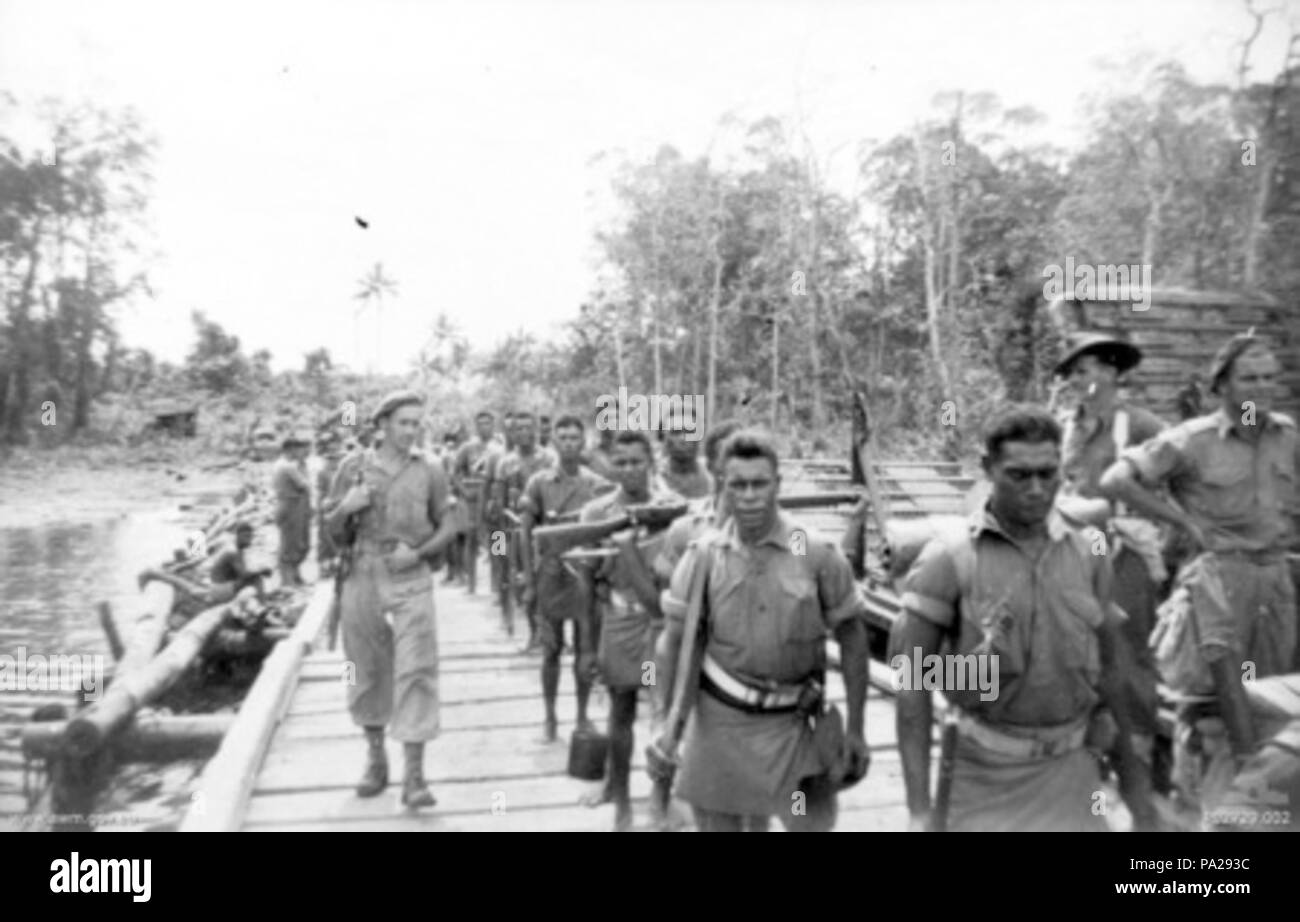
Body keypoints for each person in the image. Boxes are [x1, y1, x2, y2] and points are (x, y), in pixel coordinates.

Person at [894, 406, 1157, 832]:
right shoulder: (951, 560)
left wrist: (1136, 793)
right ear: (987, 469)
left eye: (1048, 473)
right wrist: (919, 811)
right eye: (1019, 475)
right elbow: (911, 691)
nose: (1036, 489)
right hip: (983, 778)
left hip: (1073, 773)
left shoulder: (1088, 553)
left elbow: (1112, 675)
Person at [1100, 333, 1298, 816]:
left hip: (1274, 584)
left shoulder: (1288, 436)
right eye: (1249, 378)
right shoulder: (1192, 440)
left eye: (1269, 377)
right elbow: (1116, 480)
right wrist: (1182, 522)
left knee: (1270, 705)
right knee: (1207, 710)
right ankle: (1196, 826)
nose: (1261, 387)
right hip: (1216, 585)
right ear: (1223, 386)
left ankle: (1259, 814)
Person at [652, 430, 870, 832]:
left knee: (809, 825)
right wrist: (664, 723)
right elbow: (674, 644)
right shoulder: (704, 557)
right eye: (738, 484)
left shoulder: (810, 549)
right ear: (722, 486)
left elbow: (853, 638)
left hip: (796, 729)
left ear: (777, 485)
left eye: (760, 483)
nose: (749, 495)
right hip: (721, 729)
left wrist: (856, 727)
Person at [326, 390, 459, 808]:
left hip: (410, 576)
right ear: (382, 424)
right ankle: (375, 758)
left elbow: (452, 523)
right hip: (362, 573)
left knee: (417, 669)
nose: (411, 430)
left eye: (417, 423)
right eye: (404, 422)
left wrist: (418, 553)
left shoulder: (431, 469)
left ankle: (415, 777)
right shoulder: (352, 467)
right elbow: (330, 533)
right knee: (364, 668)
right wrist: (346, 508)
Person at [1052, 333, 1167, 757]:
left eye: (1084, 371)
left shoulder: (1140, 425)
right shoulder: (1066, 427)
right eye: (1072, 374)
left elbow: (1179, 474)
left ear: (1112, 373)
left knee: (1125, 643)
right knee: (1072, 638)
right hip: (1072, 545)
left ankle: (1136, 744)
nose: (1076, 382)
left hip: (1124, 549)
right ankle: (1086, 737)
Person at [575, 430, 678, 830]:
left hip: (662, 621)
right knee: (621, 710)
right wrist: (585, 646)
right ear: (609, 465)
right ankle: (621, 803)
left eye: (637, 461)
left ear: (651, 461)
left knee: (665, 714)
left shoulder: (671, 508)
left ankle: (661, 799)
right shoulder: (597, 513)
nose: (629, 469)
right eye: (620, 462)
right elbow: (585, 581)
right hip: (618, 619)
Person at [518, 414, 611, 742]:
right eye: (563, 438)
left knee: (587, 650)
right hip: (551, 575)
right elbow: (525, 533)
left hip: (585, 576)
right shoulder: (539, 483)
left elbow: (607, 534)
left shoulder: (596, 484)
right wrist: (529, 581)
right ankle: (549, 718)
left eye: (575, 438)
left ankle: (583, 716)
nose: (570, 444)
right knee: (551, 650)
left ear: (583, 442)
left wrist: (604, 576)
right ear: (554, 442)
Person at [494, 411, 557, 649]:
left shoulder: (549, 459)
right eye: (518, 429)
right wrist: (498, 546)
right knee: (522, 581)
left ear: (535, 430)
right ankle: (532, 632)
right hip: (515, 531)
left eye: (528, 428)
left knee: (551, 581)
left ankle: (550, 633)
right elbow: (499, 505)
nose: (523, 433)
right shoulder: (505, 463)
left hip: (546, 528)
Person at [453, 411, 502, 595]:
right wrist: (463, 491)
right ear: (476, 426)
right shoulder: (467, 448)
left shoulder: (500, 447)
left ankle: (497, 584)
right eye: (481, 423)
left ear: (493, 425)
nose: (484, 427)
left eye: (488, 423)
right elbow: (456, 472)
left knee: (498, 538)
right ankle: (471, 583)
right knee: (471, 539)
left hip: (493, 498)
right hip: (473, 498)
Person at [272, 433, 313, 586]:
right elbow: (305, 485)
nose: (299, 452)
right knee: (289, 544)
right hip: (290, 506)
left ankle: (294, 577)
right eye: (297, 449)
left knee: (294, 543)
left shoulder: (283, 464)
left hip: (290, 505)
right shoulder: (287, 466)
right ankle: (287, 580)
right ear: (290, 449)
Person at [658, 414, 713, 500]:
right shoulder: (654, 479)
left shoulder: (712, 477)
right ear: (664, 437)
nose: (682, 439)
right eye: (675, 432)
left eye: (690, 431)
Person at [315, 431, 345, 576]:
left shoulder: (339, 470)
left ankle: (334, 564)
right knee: (324, 537)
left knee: (336, 535)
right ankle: (323, 567)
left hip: (336, 505)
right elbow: (323, 490)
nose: (334, 460)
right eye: (332, 457)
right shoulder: (323, 470)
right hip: (326, 503)